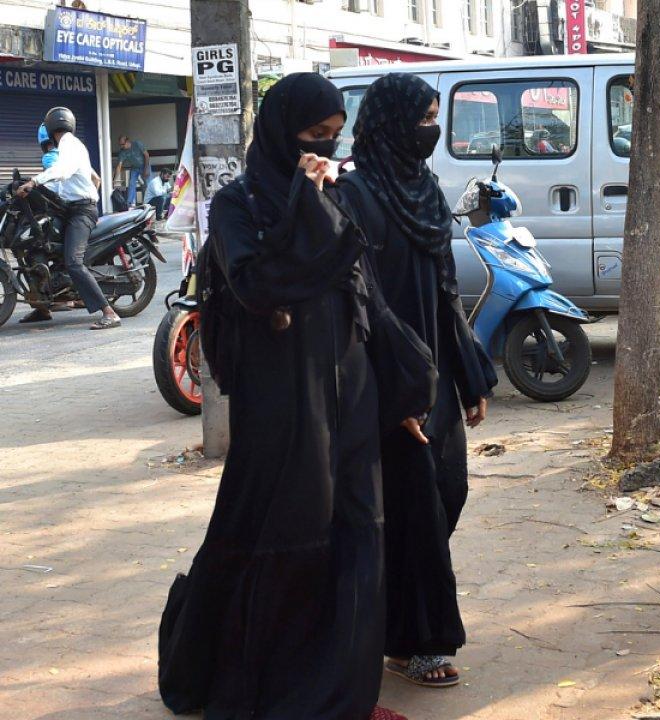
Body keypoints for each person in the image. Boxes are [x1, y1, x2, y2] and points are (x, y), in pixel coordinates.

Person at [155, 73, 413, 720]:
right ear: (279, 132)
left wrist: (409, 385)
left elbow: (368, 300)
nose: (324, 150)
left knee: (358, 533)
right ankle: (262, 682)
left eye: (333, 137)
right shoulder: (240, 205)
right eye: (312, 137)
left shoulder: (337, 196)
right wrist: (303, 198)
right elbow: (256, 285)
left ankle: (341, 697)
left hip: (347, 390)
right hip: (281, 398)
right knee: (281, 534)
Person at [338, 72, 497, 689]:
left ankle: (393, 622)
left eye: (435, 116)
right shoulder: (353, 196)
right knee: (415, 509)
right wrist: (396, 385)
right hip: (385, 378)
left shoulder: (425, 189)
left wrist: (468, 370)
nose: (432, 129)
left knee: (447, 490)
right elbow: (359, 302)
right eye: (424, 117)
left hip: (433, 374)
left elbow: (445, 290)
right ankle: (421, 640)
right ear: (391, 124)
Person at [16, 108, 121, 330]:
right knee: (39, 243)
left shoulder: (69, 146)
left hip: (80, 212)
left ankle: (109, 313)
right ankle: (43, 307)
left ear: (51, 126)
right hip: (70, 209)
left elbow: (63, 171)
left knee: (74, 261)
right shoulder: (70, 146)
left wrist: (34, 182)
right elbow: (95, 178)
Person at [114, 134, 150, 207]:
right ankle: (130, 203)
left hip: (145, 165)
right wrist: (115, 180)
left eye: (122, 144)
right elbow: (119, 166)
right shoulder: (122, 152)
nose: (121, 146)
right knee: (131, 183)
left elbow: (146, 155)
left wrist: (146, 169)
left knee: (147, 184)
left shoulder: (137, 144)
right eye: (120, 145)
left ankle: (148, 202)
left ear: (127, 141)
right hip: (135, 168)